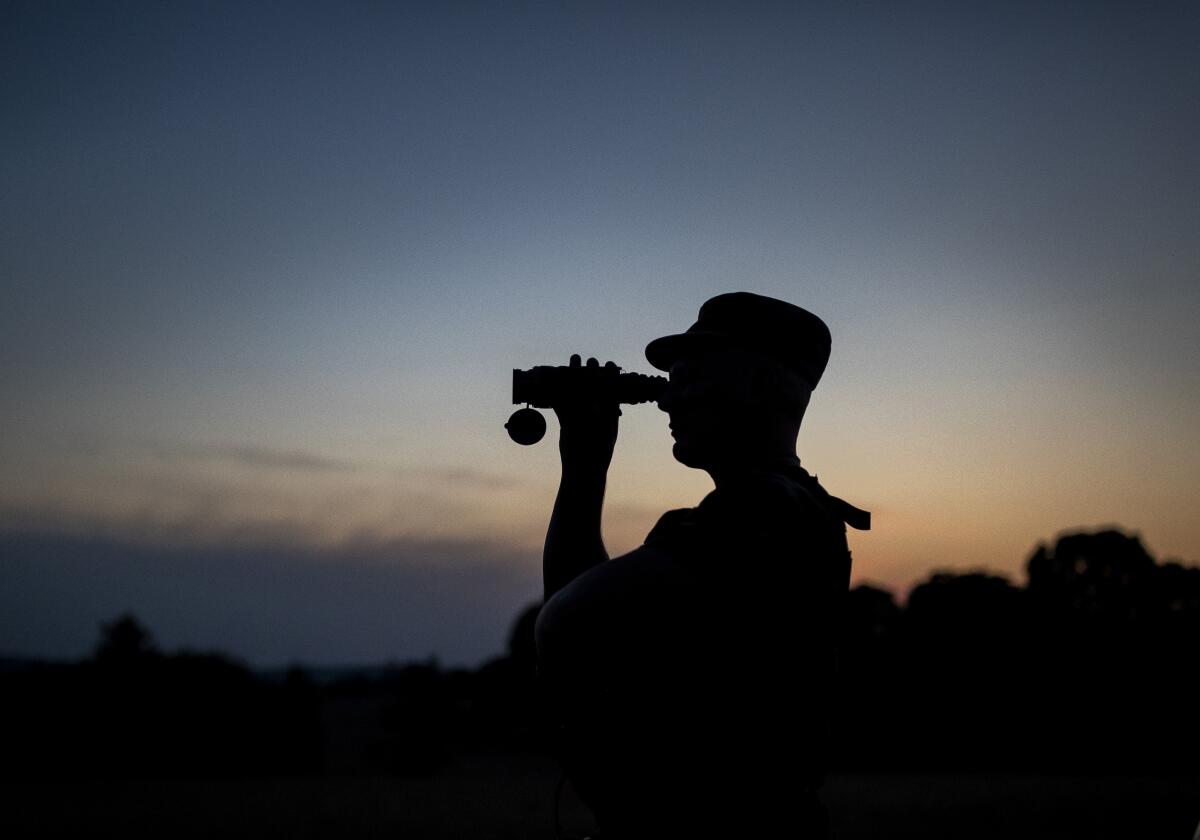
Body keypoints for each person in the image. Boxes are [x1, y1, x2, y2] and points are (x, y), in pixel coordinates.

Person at [534, 292, 869, 839]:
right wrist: (585, 467)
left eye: (691, 376)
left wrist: (628, 814)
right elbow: (570, 613)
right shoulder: (782, 512)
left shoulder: (765, 513)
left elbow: (565, 624)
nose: (668, 401)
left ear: (762, 385)